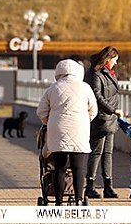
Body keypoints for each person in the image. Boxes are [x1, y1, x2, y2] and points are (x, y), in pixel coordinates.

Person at [36, 59, 98, 206]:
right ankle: (78, 199)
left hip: (58, 131)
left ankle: (58, 202)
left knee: (59, 168)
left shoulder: (53, 88)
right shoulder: (85, 87)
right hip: (80, 130)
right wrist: (84, 120)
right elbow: (93, 110)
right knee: (78, 168)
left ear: (58, 72)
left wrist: (49, 122)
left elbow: (41, 111)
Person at [84, 46, 124, 199]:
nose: (116, 62)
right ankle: (90, 186)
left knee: (108, 153)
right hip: (101, 118)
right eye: (115, 59)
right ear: (108, 59)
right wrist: (112, 110)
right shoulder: (95, 73)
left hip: (110, 118)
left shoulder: (108, 72)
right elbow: (96, 96)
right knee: (96, 152)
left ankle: (108, 186)